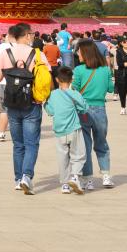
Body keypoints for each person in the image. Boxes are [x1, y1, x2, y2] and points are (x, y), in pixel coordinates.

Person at [0, 23, 48, 194]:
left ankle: (18, 179)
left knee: (18, 144)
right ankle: (27, 176)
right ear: (26, 36)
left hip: (12, 103)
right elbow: (47, 76)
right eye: (31, 34)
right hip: (32, 103)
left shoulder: (5, 53)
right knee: (31, 143)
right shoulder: (37, 54)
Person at [72, 40, 115, 190]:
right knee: (101, 143)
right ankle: (106, 175)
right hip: (100, 109)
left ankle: (88, 179)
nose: (77, 53)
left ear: (85, 52)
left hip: (82, 110)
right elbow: (110, 88)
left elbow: (74, 90)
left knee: (85, 145)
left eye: (79, 51)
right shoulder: (105, 70)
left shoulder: (78, 70)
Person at [44, 66, 86, 194]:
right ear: (71, 79)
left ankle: (64, 184)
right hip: (74, 129)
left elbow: (50, 111)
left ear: (57, 80)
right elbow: (84, 107)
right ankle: (75, 176)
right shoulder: (74, 93)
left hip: (59, 130)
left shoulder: (53, 95)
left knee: (62, 157)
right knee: (78, 155)